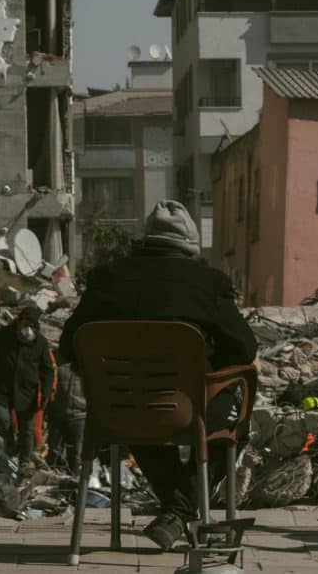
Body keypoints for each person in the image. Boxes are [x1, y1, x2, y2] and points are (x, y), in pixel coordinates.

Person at [59, 200, 258, 551]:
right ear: (190, 246)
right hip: (188, 408)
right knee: (235, 423)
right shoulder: (209, 283)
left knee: (135, 402)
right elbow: (243, 349)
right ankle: (182, 510)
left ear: (146, 239)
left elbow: (68, 345)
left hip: (119, 409)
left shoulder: (106, 278)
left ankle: (177, 509)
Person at [0, 306, 57, 473]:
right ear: (19, 322)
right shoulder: (3, 335)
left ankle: (24, 463)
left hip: (27, 392)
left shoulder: (40, 343)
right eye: (25, 324)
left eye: (32, 326)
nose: (28, 329)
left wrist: (47, 391)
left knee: (27, 429)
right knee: (0, 417)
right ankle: (9, 438)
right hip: (2, 388)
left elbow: (48, 370)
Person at [46, 351, 86, 475]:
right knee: (53, 449)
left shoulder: (87, 371)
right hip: (57, 415)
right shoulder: (60, 369)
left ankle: (74, 477)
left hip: (79, 416)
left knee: (75, 452)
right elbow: (51, 388)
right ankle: (49, 475)